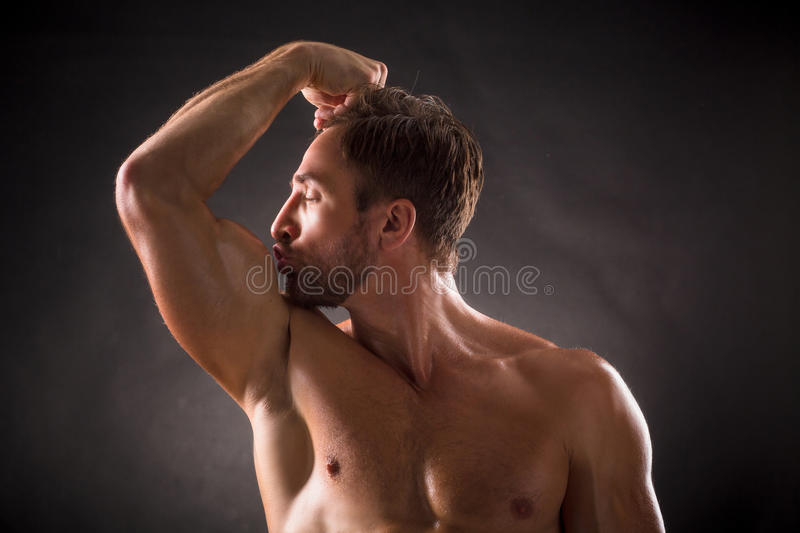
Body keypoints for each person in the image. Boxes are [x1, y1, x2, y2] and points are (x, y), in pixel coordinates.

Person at [115, 41, 665, 532]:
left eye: (309, 197)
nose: (280, 223)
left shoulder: (579, 397)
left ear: (393, 224)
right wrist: (294, 63)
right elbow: (152, 188)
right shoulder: (281, 360)